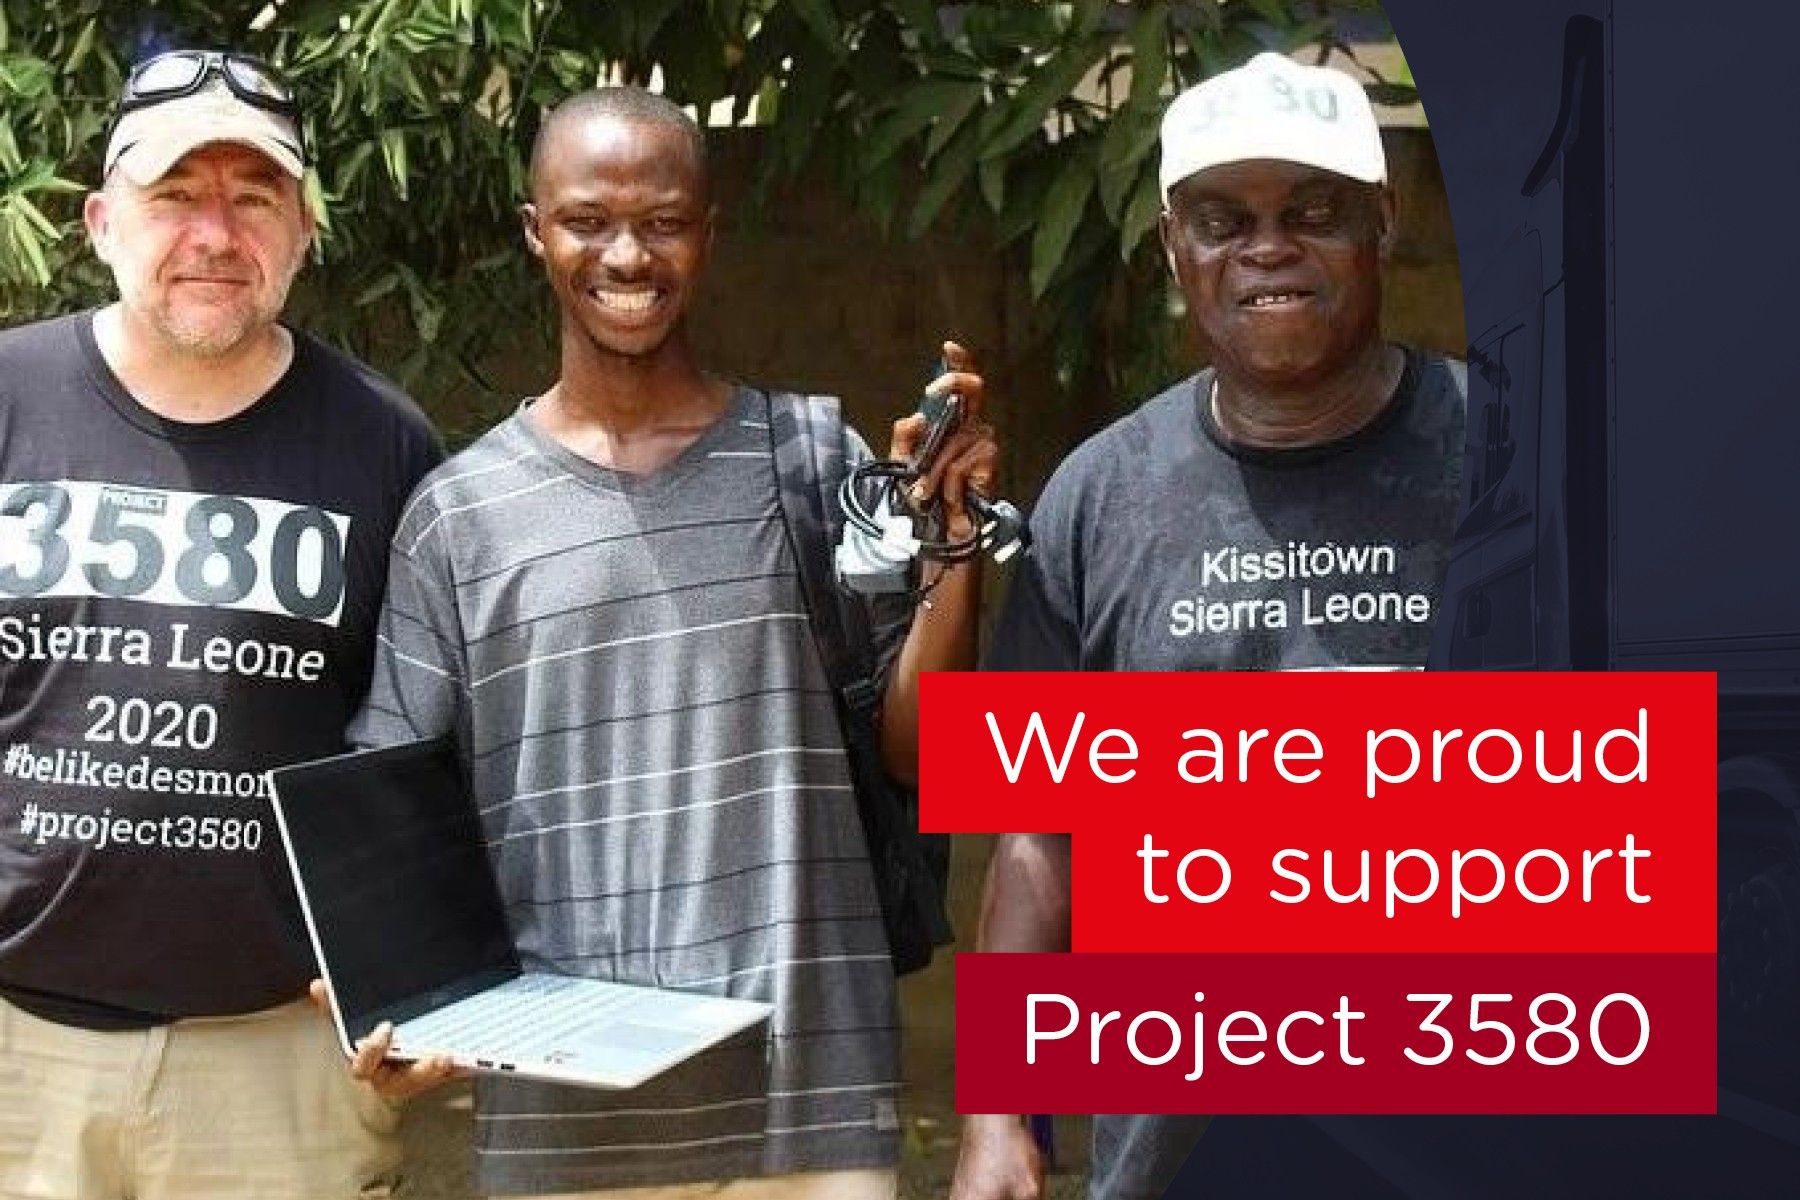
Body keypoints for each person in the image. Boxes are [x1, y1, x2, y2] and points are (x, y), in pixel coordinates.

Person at [344, 86, 998, 1199]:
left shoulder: (810, 457)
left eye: (663, 220)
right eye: (588, 219)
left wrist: (953, 547)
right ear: (535, 231)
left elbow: (921, 757)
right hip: (570, 1123)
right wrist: (396, 1015)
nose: (627, 254)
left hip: (810, 1109)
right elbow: (395, 802)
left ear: (708, 233)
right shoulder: (461, 514)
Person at [949, 51, 1467, 1200]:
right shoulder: (1098, 496)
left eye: (1312, 211)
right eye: (1223, 219)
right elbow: (1036, 835)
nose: (1268, 248)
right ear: (1175, 250)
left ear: (1385, 223)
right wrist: (997, 1113)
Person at [0, 48, 443, 1200]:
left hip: (279, 1065)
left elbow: (421, 749)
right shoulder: (6, 399)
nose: (213, 232)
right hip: (16, 1055)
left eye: (254, 198)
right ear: (101, 221)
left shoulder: (387, 447)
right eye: (174, 196)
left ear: (302, 232)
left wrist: (420, 986)